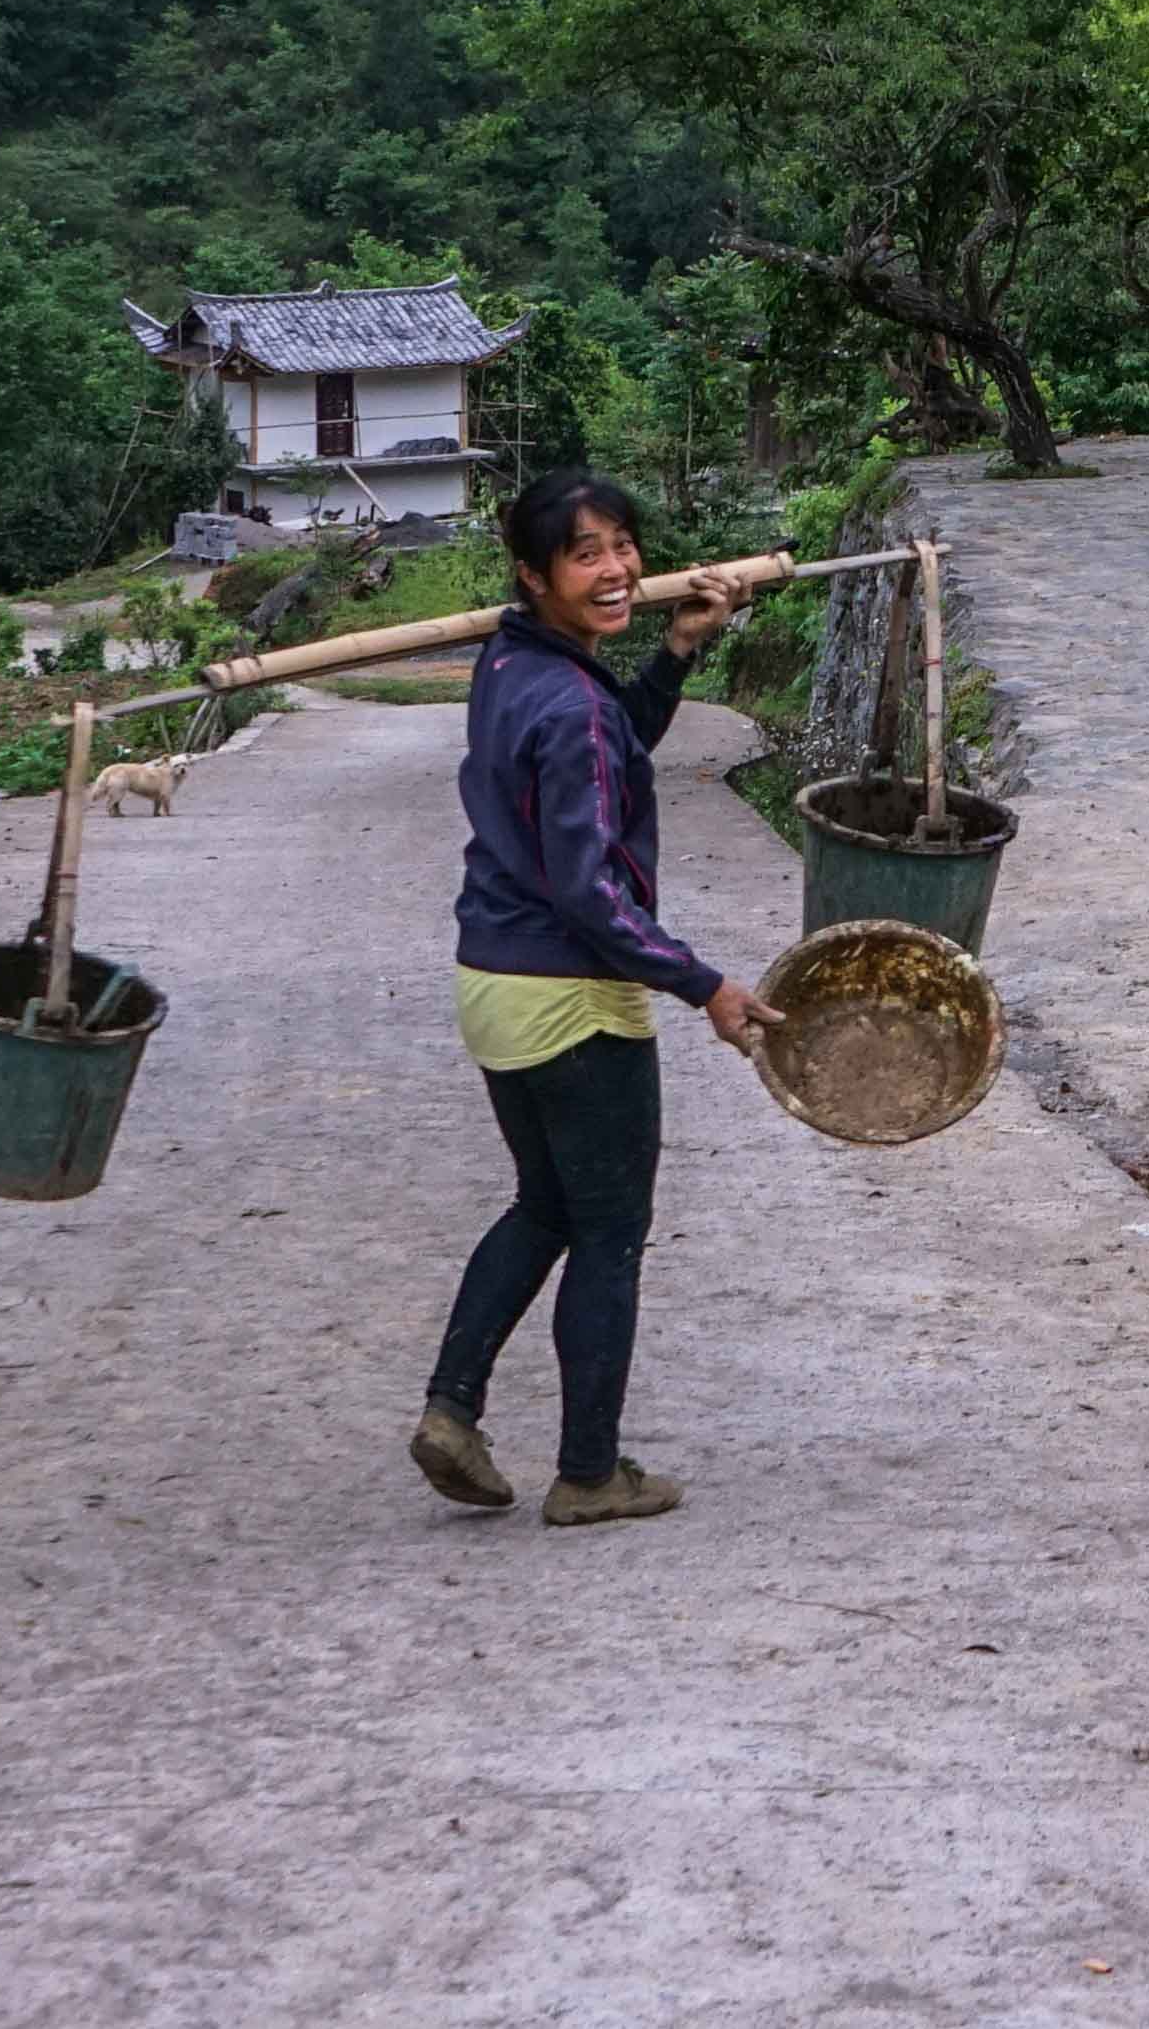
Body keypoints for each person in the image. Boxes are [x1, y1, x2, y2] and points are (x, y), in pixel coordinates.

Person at [417, 469, 761, 1528]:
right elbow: (589, 889)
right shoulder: (569, 704)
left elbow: (616, 749)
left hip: (495, 982)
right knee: (608, 1230)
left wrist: (679, 648)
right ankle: (588, 1472)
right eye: (583, 554)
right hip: (570, 1003)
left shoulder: (515, 663)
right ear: (533, 574)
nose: (615, 571)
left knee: (546, 1205)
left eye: (622, 545)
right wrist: (704, 983)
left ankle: (450, 1411)